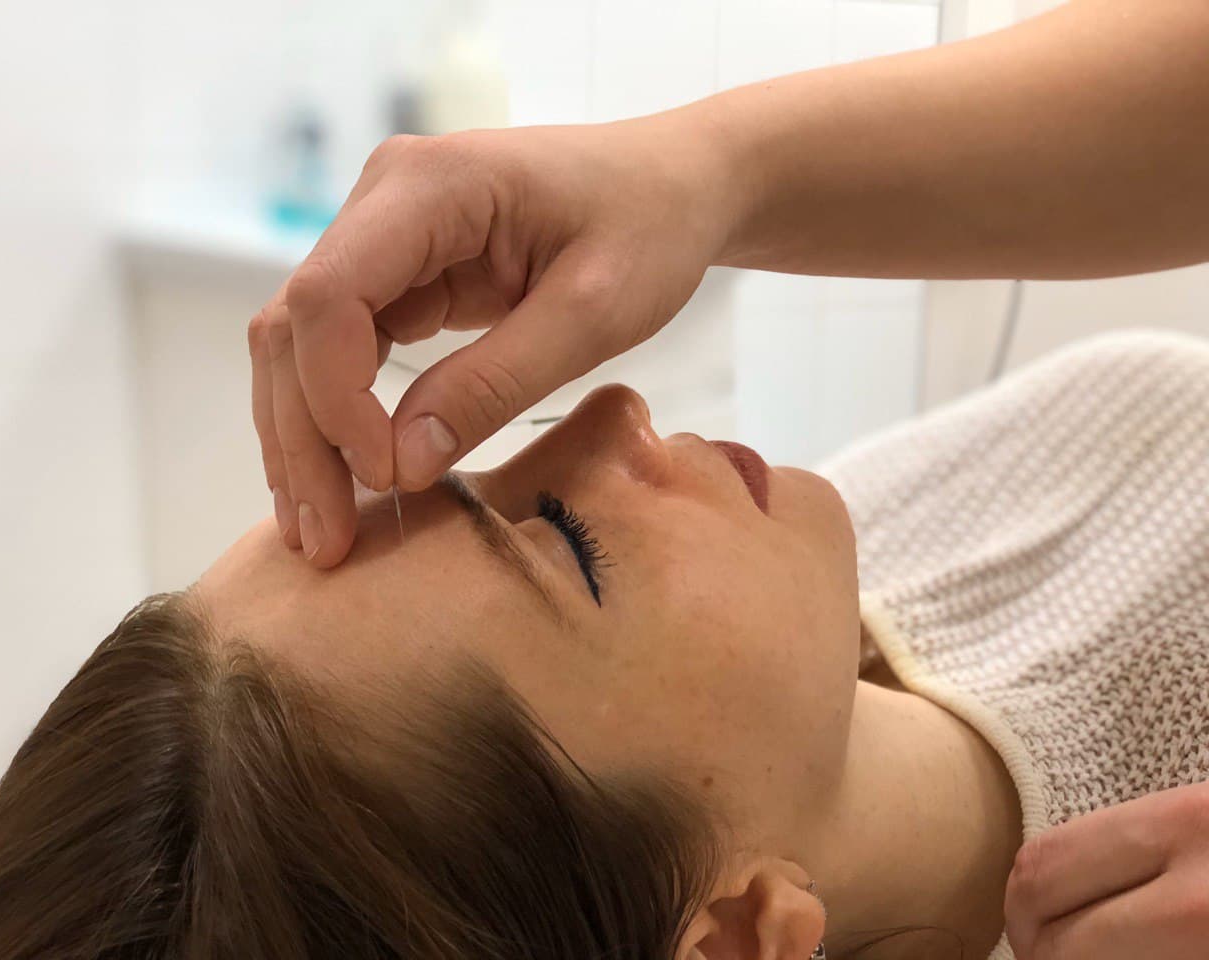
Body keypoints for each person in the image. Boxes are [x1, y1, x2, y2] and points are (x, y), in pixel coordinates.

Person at [245, 0, 1209, 956]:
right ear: (726, 941)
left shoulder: (892, 523)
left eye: (475, 467)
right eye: (573, 545)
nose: (614, 411)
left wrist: (707, 173)